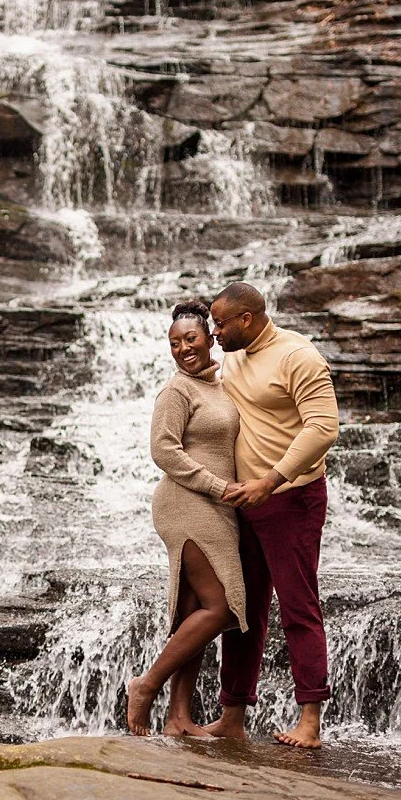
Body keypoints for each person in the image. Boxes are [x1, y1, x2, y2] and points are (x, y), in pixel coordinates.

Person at [206, 282, 339, 749]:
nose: (213, 331)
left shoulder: (298, 357)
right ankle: (232, 715)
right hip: (243, 502)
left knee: (298, 607)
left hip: (291, 499)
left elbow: (324, 427)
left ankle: (310, 721)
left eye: (219, 323)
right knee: (244, 612)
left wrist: (271, 480)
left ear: (247, 318)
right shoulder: (233, 355)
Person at [126, 300, 251, 737]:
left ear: (209, 337)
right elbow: (163, 450)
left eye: (190, 338)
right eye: (174, 342)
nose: (182, 348)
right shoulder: (176, 390)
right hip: (187, 503)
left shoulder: (221, 384)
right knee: (220, 608)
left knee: (194, 611)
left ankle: (179, 718)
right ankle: (146, 685)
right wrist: (219, 488)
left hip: (217, 506)